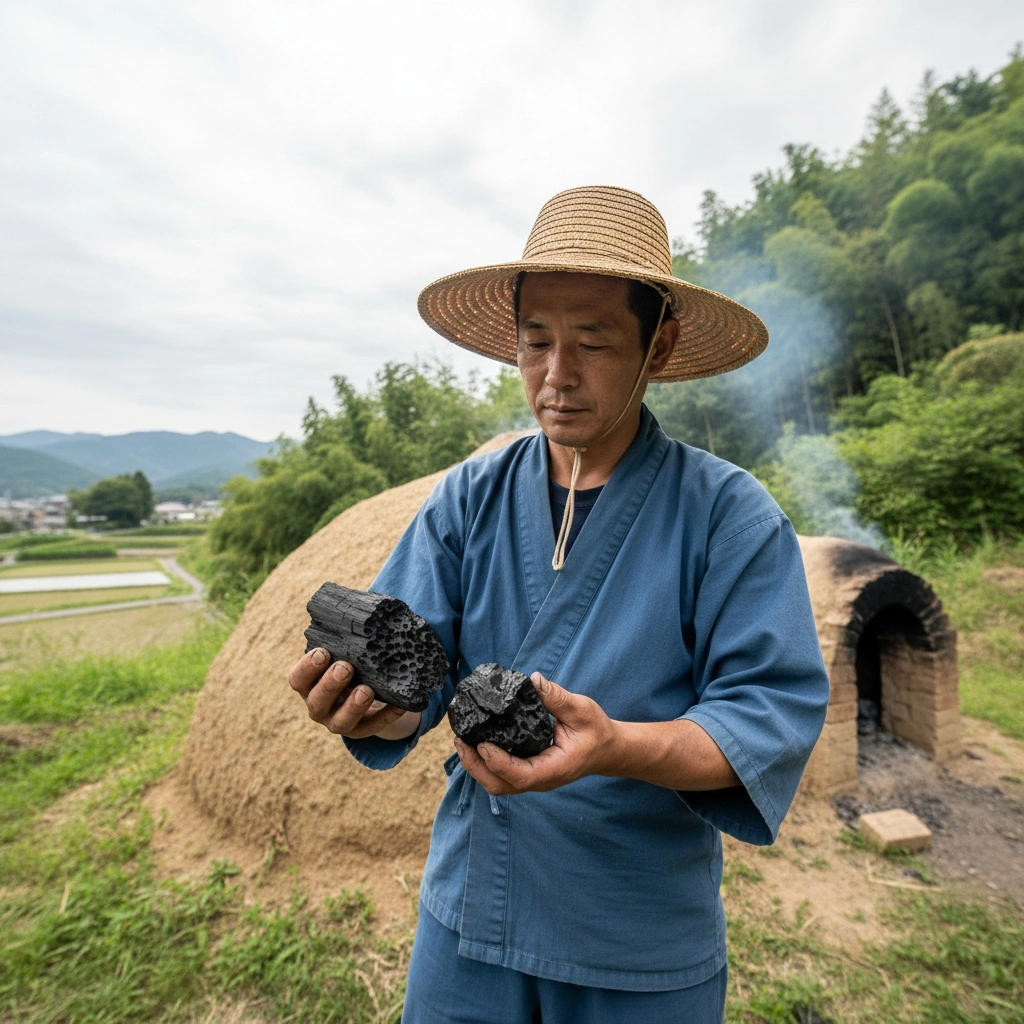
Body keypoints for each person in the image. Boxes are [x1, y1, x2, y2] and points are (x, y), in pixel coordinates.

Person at [288, 186, 830, 1023]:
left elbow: (765, 719)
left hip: (637, 939)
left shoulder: (728, 516)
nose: (556, 374)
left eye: (593, 342)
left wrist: (614, 746)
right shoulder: (468, 497)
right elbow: (416, 687)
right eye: (536, 341)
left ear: (659, 344)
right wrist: (373, 711)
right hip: (471, 920)